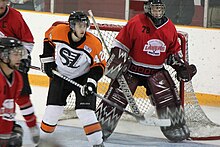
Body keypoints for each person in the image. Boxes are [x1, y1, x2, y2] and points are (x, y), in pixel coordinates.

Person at [96, 0, 197, 142]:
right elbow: (121, 43)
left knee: (167, 97)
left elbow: (173, 52)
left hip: (155, 72)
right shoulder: (136, 22)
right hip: (132, 70)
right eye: (154, 8)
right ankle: (99, 128)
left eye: (160, 8)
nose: (157, 12)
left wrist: (181, 66)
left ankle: (176, 128)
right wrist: (117, 61)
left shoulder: (169, 27)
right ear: (147, 9)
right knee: (115, 97)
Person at [39, 11, 106, 147]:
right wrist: (48, 62)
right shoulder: (58, 31)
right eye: (79, 25)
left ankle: (98, 144)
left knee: (85, 112)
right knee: (52, 111)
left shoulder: (93, 43)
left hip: (83, 78)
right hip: (60, 75)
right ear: (72, 26)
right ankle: (43, 143)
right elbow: (48, 40)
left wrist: (91, 83)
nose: (83, 29)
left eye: (85, 25)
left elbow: (99, 66)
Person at [0, 0, 39, 144]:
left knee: (21, 95)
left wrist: (23, 57)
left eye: (3, 0)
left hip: (10, 60)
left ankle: (30, 126)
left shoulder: (15, 17)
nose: (1, 4)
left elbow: (28, 42)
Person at [0, 37, 26, 147]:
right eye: (15, 54)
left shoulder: (17, 78)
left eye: (21, 54)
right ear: (4, 56)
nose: (19, 57)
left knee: (16, 134)